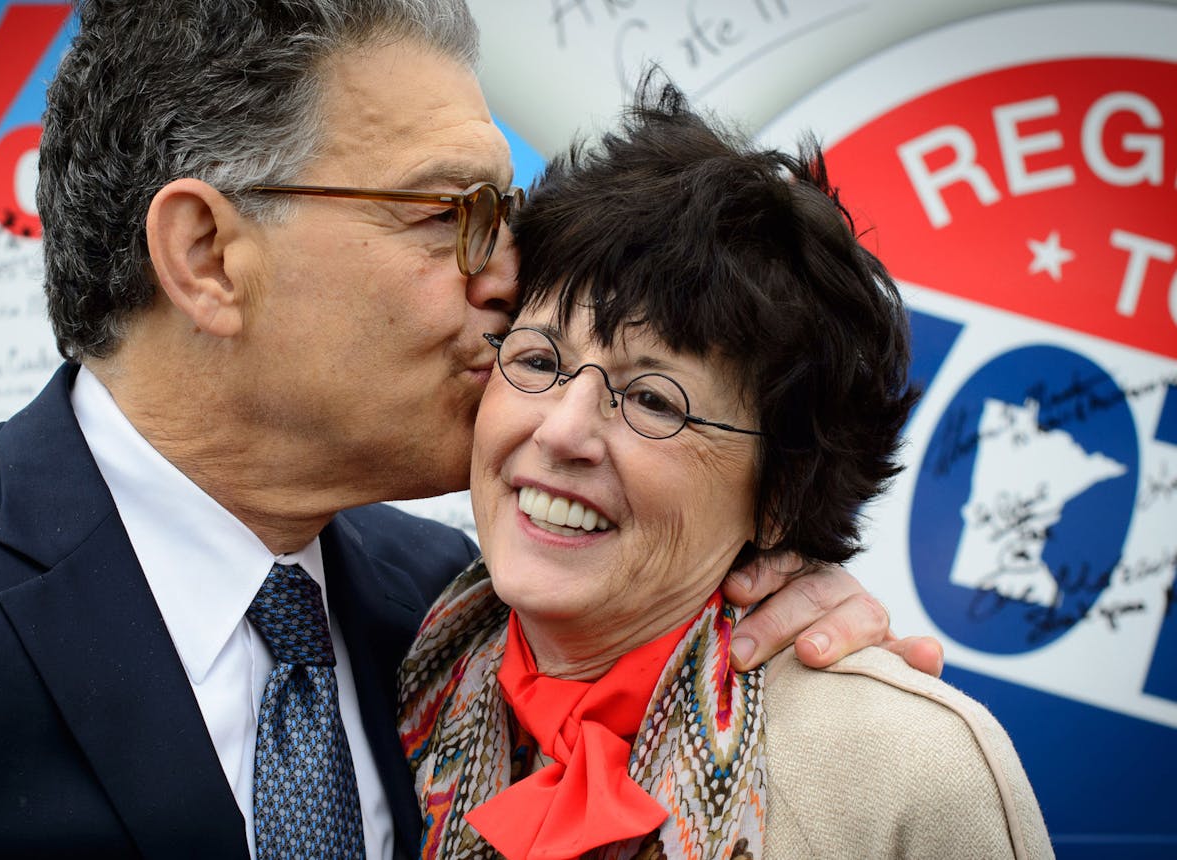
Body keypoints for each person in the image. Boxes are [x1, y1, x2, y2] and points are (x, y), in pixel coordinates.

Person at [0, 3, 936, 857]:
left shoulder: (459, 615)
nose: (506, 273)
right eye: (450, 214)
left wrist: (758, 599)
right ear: (208, 256)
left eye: (506, 213)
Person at [399, 82, 1052, 860]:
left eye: (651, 399)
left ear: (778, 496)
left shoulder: (902, 770)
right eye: (540, 359)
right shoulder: (394, 656)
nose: (563, 430)